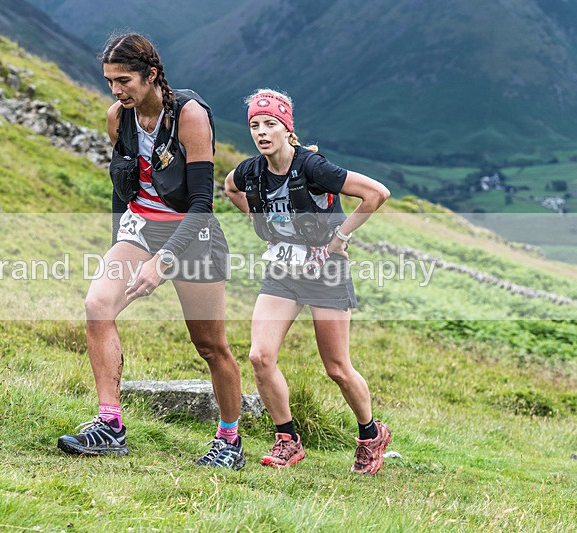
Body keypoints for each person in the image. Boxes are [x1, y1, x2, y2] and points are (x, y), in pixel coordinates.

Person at [57, 33, 245, 470]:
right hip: (140, 229)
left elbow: (202, 204)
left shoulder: (189, 116)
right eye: (109, 82)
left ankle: (229, 441)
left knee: (210, 345)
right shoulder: (116, 118)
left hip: (192, 234)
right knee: (97, 305)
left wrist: (164, 262)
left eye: (123, 80)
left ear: (152, 74)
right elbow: (121, 189)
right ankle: (110, 426)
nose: (116, 90)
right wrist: (118, 246)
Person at [224, 89, 391, 473]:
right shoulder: (251, 171)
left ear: (287, 129)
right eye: (255, 125)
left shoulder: (312, 167)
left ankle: (370, 435)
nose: (262, 132)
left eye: (270, 124)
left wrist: (338, 240)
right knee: (259, 356)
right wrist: (259, 221)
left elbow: (376, 194)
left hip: (325, 272)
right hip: (283, 270)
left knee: (337, 367)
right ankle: (288, 440)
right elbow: (231, 188)